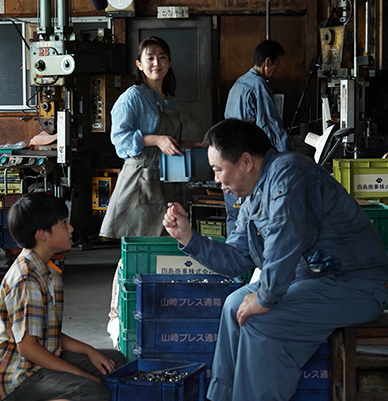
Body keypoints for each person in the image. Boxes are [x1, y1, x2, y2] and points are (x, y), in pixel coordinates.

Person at [163, 119, 388, 401]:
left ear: (245, 161)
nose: (217, 179)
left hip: (356, 284)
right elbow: (237, 259)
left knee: (261, 320)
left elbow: (287, 237)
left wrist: (266, 297)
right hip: (310, 281)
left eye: (218, 169)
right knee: (234, 304)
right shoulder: (254, 195)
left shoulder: (288, 172)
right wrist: (188, 237)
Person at [0, 193, 126, 401]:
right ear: (42, 235)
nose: (71, 229)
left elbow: (46, 332)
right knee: (91, 391)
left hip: (43, 358)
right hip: (21, 378)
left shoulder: (45, 269)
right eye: (64, 223)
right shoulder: (27, 280)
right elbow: (27, 347)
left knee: (114, 361)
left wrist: (90, 351)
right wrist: (84, 375)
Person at [99, 36, 201, 239]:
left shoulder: (167, 99)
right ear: (140, 64)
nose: (157, 63)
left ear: (169, 62)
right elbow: (119, 138)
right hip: (141, 182)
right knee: (142, 245)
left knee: (166, 242)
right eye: (150, 58)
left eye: (162, 57)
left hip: (166, 179)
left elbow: (166, 141)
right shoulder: (133, 97)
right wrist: (156, 140)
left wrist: (187, 146)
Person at [224, 39, 291, 234]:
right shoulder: (258, 85)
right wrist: (287, 159)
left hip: (231, 157)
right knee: (258, 215)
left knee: (235, 215)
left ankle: (234, 258)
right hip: (250, 162)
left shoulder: (238, 84)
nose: (276, 70)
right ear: (267, 62)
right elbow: (270, 126)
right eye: (276, 65)